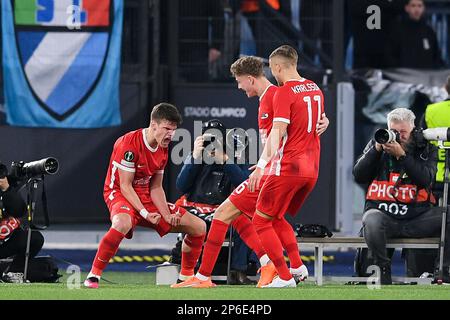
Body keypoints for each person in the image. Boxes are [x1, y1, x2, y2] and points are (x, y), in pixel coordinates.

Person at [174, 52, 328, 289]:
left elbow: (278, 133)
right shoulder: (290, 91)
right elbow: (305, 116)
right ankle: (289, 266)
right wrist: (323, 120)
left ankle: (206, 277)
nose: (238, 86)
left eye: (239, 81)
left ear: (250, 79)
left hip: (277, 171)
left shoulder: (274, 95)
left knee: (226, 214)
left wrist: (264, 165)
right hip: (290, 168)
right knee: (257, 218)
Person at [84, 103, 207, 289]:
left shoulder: (163, 147)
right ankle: (94, 275)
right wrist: (144, 213)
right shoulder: (129, 144)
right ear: (154, 124)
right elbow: (125, 186)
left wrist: (166, 215)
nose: (171, 135)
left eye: (174, 130)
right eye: (167, 129)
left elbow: (156, 187)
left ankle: (186, 277)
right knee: (121, 223)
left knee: (198, 226)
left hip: (144, 197)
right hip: (119, 193)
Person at [248, 45, 324, 288]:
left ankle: (285, 276)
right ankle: (298, 267)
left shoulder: (284, 92)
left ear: (278, 67)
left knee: (260, 221)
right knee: (276, 216)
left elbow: (277, 132)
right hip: (311, 169)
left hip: (289, 167)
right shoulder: (315, 88)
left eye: (273, 69)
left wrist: (261, 165)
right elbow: (319, 121)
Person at [353, 107, 450, 284]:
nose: (398, 136)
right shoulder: (378, 145)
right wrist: (376, 149)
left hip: (417, 217)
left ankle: (443, 271)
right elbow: (359, 175)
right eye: (393, 131)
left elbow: (425, 180)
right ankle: (382, 269)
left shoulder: (426, 149)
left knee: (447, 213)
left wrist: (403, 156)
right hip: (384, 215)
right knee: (371, 218)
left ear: (413, 130)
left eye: (403, 132)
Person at [174, 119, 258, 285]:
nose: (212, 143)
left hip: (224, 211)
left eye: (216, 139)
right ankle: (192, 269)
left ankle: (238, 270)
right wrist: (195, 157)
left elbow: (245, 185)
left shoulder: (233, 157)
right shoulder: (196, 157)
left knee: (247, 218)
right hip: (196, 209)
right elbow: (181, 186)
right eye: (208, 138)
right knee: (191, 221)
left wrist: (225, 160)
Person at [0, 170, 44, 283]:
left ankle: (13, 272)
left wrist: (7, 189)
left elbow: (20, 212)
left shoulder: (6, 191)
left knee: (34, 238)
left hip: (4, 241)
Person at [385, 0, 445, 69]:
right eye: (413, 6)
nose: (416, 9)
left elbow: (436, 56)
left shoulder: (429, 32)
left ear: (423, 8)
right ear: (407, 8)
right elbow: (390, 56)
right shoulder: (397, 31)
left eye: (419, 6)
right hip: (402, 76)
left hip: (426, 76)